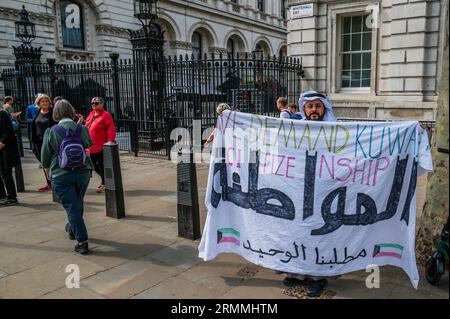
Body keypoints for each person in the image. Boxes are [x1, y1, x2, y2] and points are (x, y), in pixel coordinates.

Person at [282, 90, 337, 297]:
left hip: (324, 191)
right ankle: (296, 273)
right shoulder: (295, 129)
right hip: (299, 190)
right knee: (298, 232)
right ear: (304, 109)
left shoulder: (336, 131)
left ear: (325, 108)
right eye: (310, 106)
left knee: (319, 235)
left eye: (318, 106)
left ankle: (318, 277)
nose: (314, 110)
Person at [41, 99, 94, 254]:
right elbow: (88, 144)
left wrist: (47, 172)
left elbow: (45, 158)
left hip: (61, 174)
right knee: (77, 202)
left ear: (55, 113)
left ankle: (82, 241)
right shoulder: (82, 129)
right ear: (71, 111)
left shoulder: (51, 131)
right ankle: (72, 228)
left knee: (71, 206)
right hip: (83, 172)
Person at [82, 97, 116, 193]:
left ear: (102, 104)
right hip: (90, 147)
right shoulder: (91, 114)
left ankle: (105, 183)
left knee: (102, 166)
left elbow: (111, 129)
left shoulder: (106, 115)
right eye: (92, 103)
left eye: (96, 103)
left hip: (101, 146)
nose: (94, 105)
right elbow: (87, 127)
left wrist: (110, 143)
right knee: (92, 165)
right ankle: (105, 181)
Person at [31, 94, 57, 191]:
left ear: (49, 103)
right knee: (43, 162)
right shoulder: (38, 112)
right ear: (39, 103)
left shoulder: (53, 113)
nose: (45, 103)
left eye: (46, 101)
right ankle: (49, 183)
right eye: (43, 101)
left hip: (50, 142)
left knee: (51, 162)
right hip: (39, 142)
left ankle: (55, 182)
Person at [0, 105, 19, 206]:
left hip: (5, 149)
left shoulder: (2, 114)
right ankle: (2, 196)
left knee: (6, 173)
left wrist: (2, 143)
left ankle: (12, 197)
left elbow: (9, 132)